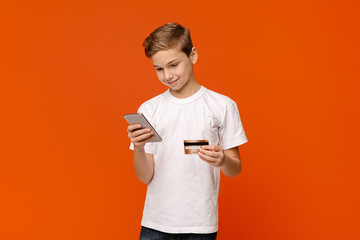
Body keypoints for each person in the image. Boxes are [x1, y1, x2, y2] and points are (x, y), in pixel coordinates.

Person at [126, 22, 248, 240]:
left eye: (174, 65)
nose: (167, 75)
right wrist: (139, 146)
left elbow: (234, 169)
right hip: (156, 222)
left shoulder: (222, 106)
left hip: (199, 224)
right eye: (159, 69)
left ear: (192, 55)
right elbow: (145, 176)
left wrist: (223, 161)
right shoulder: (149, 109)